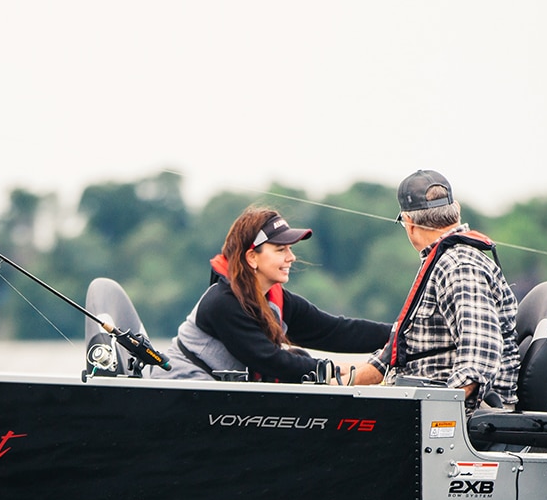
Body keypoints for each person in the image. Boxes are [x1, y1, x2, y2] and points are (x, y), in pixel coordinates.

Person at [346, 170, 519, 406]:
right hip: (419, 405)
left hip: (456, 420)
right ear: (455, 209)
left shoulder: (459, 266)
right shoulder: (439, 261)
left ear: (409, 223)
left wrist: (437, 413)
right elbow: (394, 356)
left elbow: (479, 359)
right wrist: (338, 382)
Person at [167, 206, 391, 382]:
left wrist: (399, 335)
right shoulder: (221, 303)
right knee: (298, 362)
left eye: (290, 249)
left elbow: (336, 331)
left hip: (218, 401)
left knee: (300, 359)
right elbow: (270, 361)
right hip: (178, 394)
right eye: (281, 249)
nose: (291, 257)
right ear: (252, 257)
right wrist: (333, 370)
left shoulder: (279, 302)